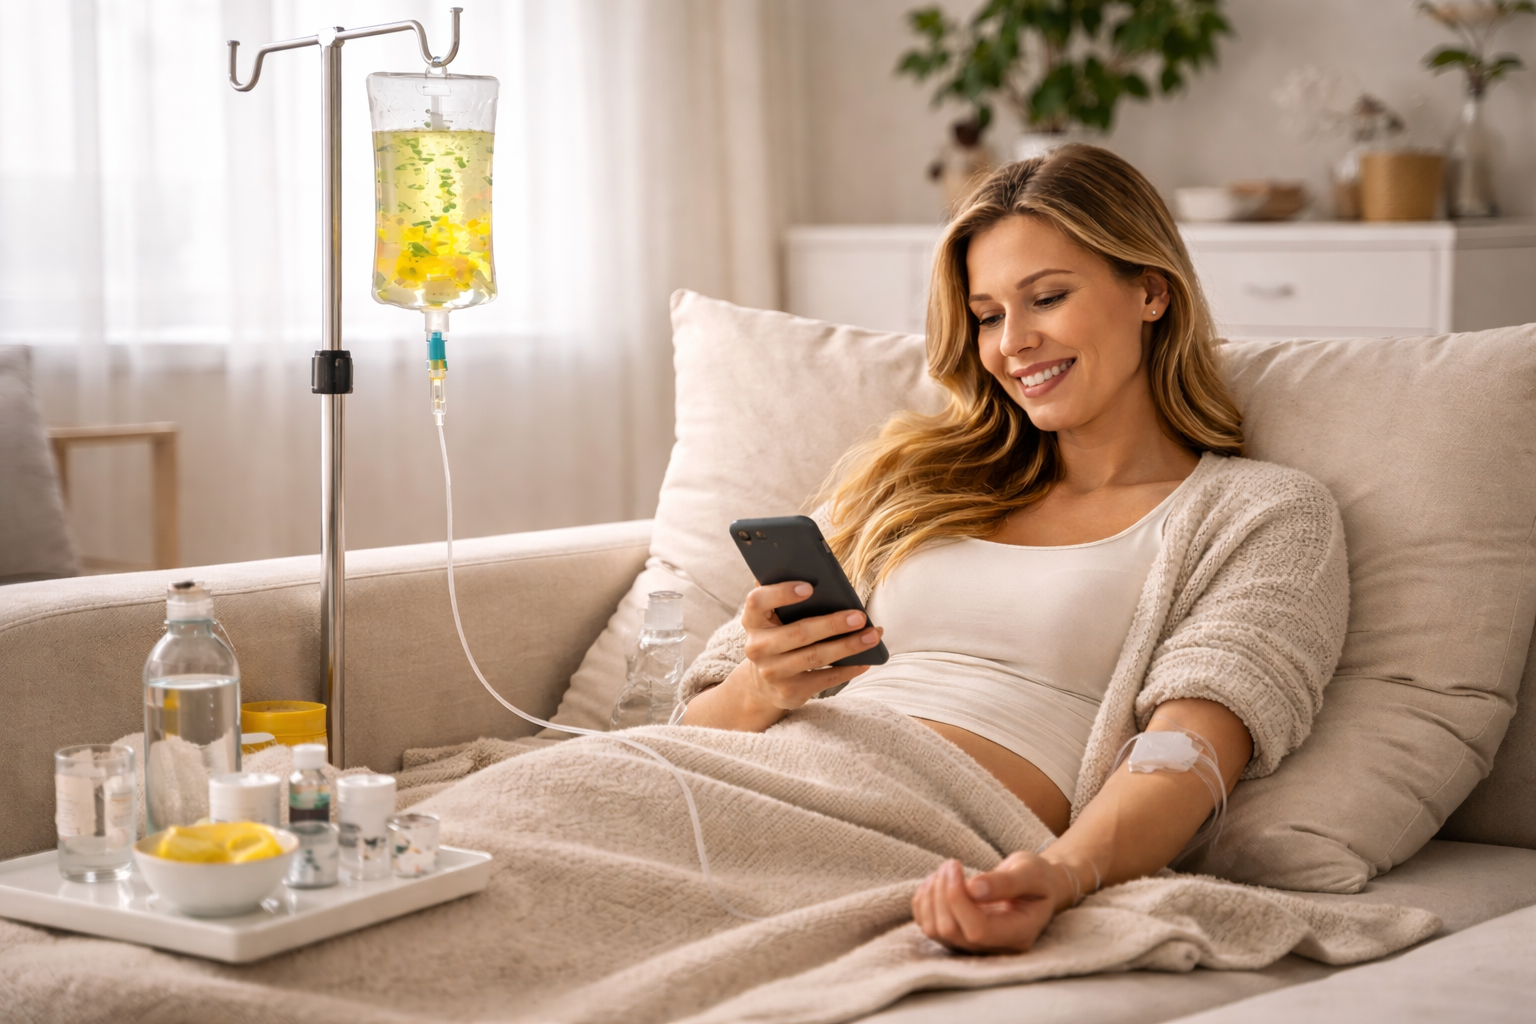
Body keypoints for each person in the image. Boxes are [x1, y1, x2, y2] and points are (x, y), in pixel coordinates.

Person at [678, 144, 1348, 954]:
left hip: (910, 831)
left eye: (1048, 298)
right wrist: (764, 681)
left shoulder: (1263, 515)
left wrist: (1062, 875)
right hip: (731, 781)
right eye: (989, 315)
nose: (1013, 343)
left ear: (1151, 291)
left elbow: (1187, 750)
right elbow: (697, 723)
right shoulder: (909, 480)